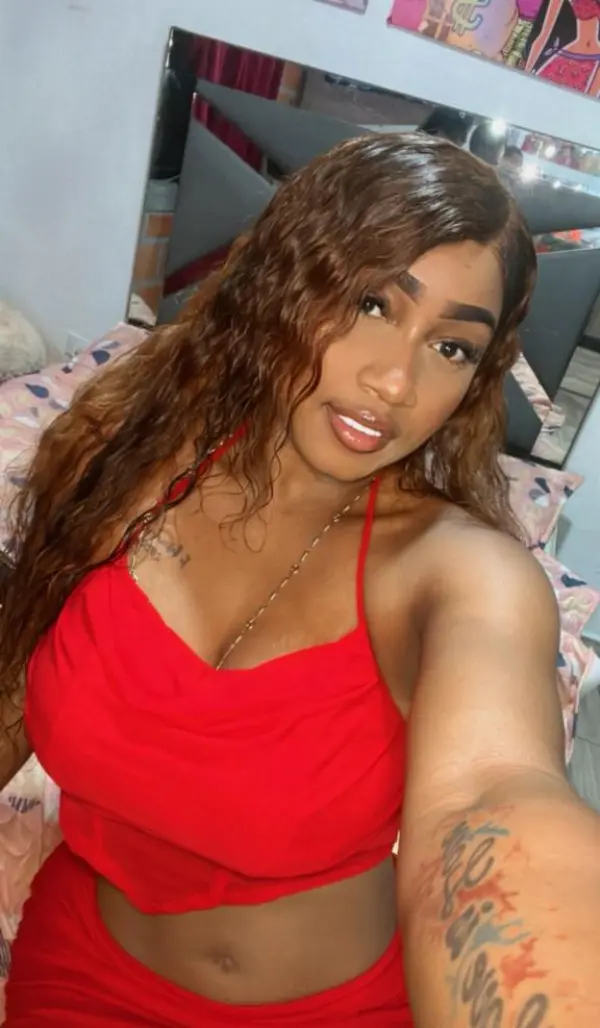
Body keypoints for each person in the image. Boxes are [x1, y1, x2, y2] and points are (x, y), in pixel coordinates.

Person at [1, 135, 599, 1028]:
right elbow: (19, 679)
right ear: (281, 279)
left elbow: (491, 794)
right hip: (82, 969)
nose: (393, 380)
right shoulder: (119, 461)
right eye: (370, 303)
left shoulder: (461, 575)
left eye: (451, 347)